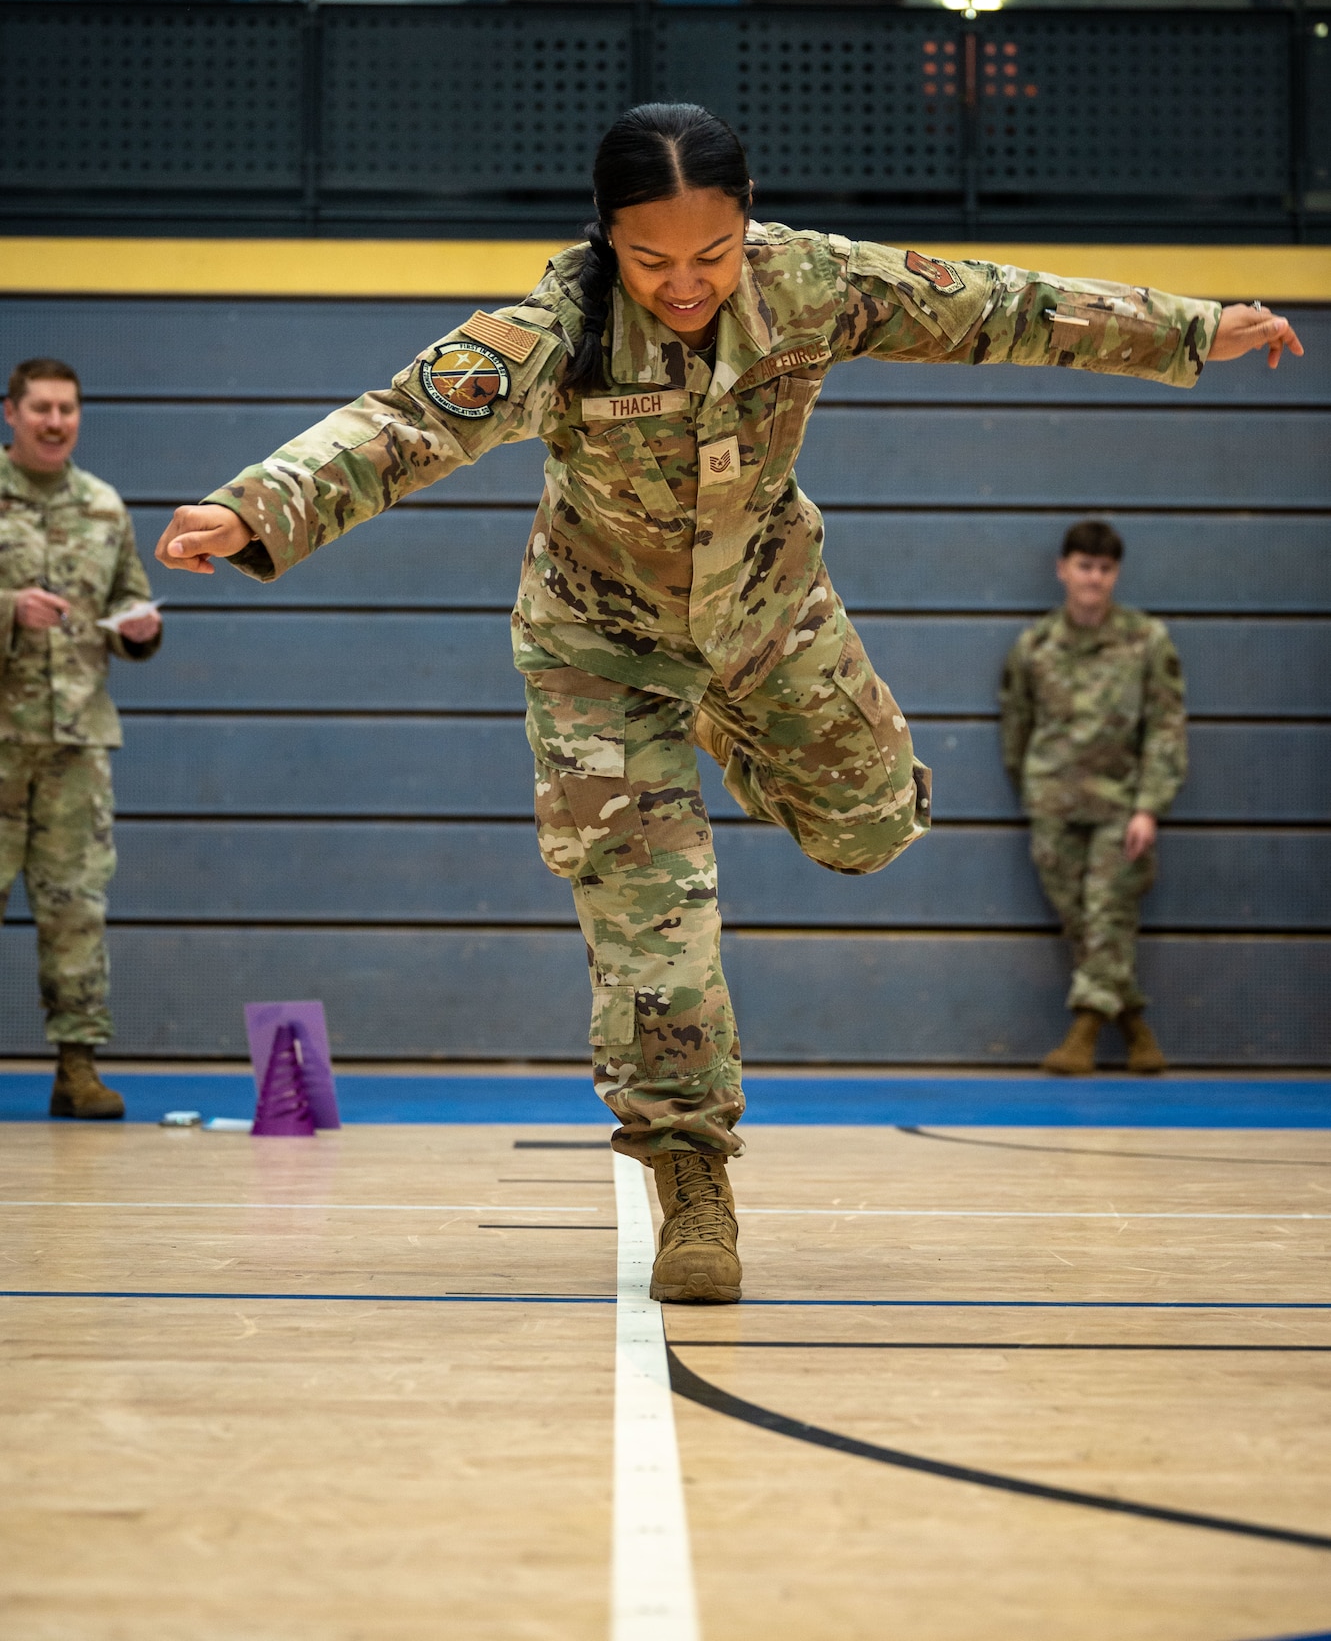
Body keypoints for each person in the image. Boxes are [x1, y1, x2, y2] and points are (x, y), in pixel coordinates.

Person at [154, 102, 1301, 1303]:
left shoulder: (807, 285)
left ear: (747, 224)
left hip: (766, 618)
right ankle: (691, 1179)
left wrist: (1189, 329)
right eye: (651, 261)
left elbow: (990, 303)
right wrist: (256, 509)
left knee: (873, 825)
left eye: (709, 255)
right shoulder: (555, 328)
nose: (684, 283)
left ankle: (737, 737)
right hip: (603, 659)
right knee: (657, 933)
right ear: (605, 239)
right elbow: (401, 422)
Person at [1, 358, 163, 1118]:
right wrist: (7, 610)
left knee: (76, 908)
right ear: (11, 413)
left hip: (76, 745)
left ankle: (76, 1069)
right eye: (41, 408)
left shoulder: (104, 506)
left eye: (67, 409)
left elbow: (130, 598)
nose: (55, 421)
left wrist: (140, 628)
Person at [1001, 520, 1187, 1077]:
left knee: (1107, 911)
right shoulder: (1034, 646)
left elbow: (1165, 727)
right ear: (1063, 569)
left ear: (1116, 575)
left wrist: (1150, 806)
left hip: (1120, 808)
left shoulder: (1146, 641)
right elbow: (1017, 727)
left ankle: (1083, 1030)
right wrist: (1034, 791)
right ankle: (1133, 1025)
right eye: (1084, 566)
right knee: (1082, 922)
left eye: (1105, 569)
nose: (1094, 579)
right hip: (1054, 806)